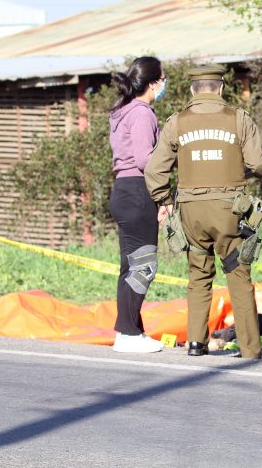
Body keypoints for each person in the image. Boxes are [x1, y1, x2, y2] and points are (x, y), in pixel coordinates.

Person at [145, 64, 262, 359]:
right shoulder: (239, 119)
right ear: (222, 88)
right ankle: (251, 348)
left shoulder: (177, 122)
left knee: (199, 276)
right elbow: (261, 163)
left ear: (193, 90)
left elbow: (154, 169)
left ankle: (195, 343)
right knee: (238, 274)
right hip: (229, 211)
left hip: (191, 212)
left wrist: (164, 199)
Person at [109, 56, 167, 353]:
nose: (164, 85)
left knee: (131, 266)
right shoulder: (143, 113)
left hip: (123, 189)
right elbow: (146, 160)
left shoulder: (121, 110)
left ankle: (131, 329)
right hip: (138, 190)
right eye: (163, 79)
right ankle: (128, 334)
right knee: (143, 264)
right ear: (153, 82)